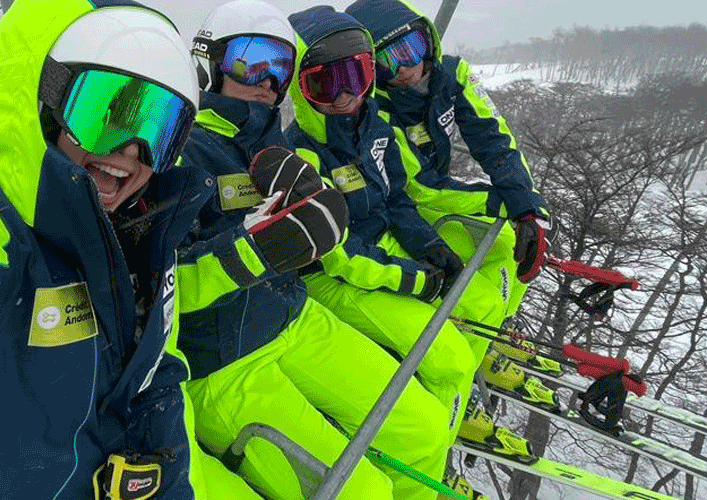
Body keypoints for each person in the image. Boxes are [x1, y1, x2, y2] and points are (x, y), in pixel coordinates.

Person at [0, 1, 261, 498]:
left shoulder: (141, 242)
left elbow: (154, 385)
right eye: (108, 113)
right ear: (47, 105)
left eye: (158, 131)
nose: (131, 151)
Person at [175, 2, 452, 499]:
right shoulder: (179, 150)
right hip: (226, 362)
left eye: (280, 67)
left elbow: (333, 231)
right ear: (207, 62)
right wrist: (253, 249)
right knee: (361, 493)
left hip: (295, 316)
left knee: (426, 428)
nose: (266, 79)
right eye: (250, 60)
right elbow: (158, 289)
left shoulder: (276, 144)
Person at [284, 6, 537, 456]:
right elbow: (339, 250)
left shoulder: (372, 127)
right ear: (302, 91)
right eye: (326, 84)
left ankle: (455, 405)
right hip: (338, 276)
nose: (345, 96)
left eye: (357, 77)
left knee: (479, 301)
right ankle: (435, 439)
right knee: (451, 357)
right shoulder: (302, 156)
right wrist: (410, 275)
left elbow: (398, 198)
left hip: (381, 254)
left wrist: (429, 246)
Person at [346, 0, 564, 382]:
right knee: (490, 259)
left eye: (410, 50)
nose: (405, 69)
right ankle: (469, 367)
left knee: (511, 250)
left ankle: (491, 334)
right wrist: (497, 203)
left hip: (436, 198)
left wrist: (524, 204)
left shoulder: (451, 74)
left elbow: (493, 137)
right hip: (410, 210)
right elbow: (418, 188)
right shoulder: (376, 109)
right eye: (387, 62)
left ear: (428, 41)